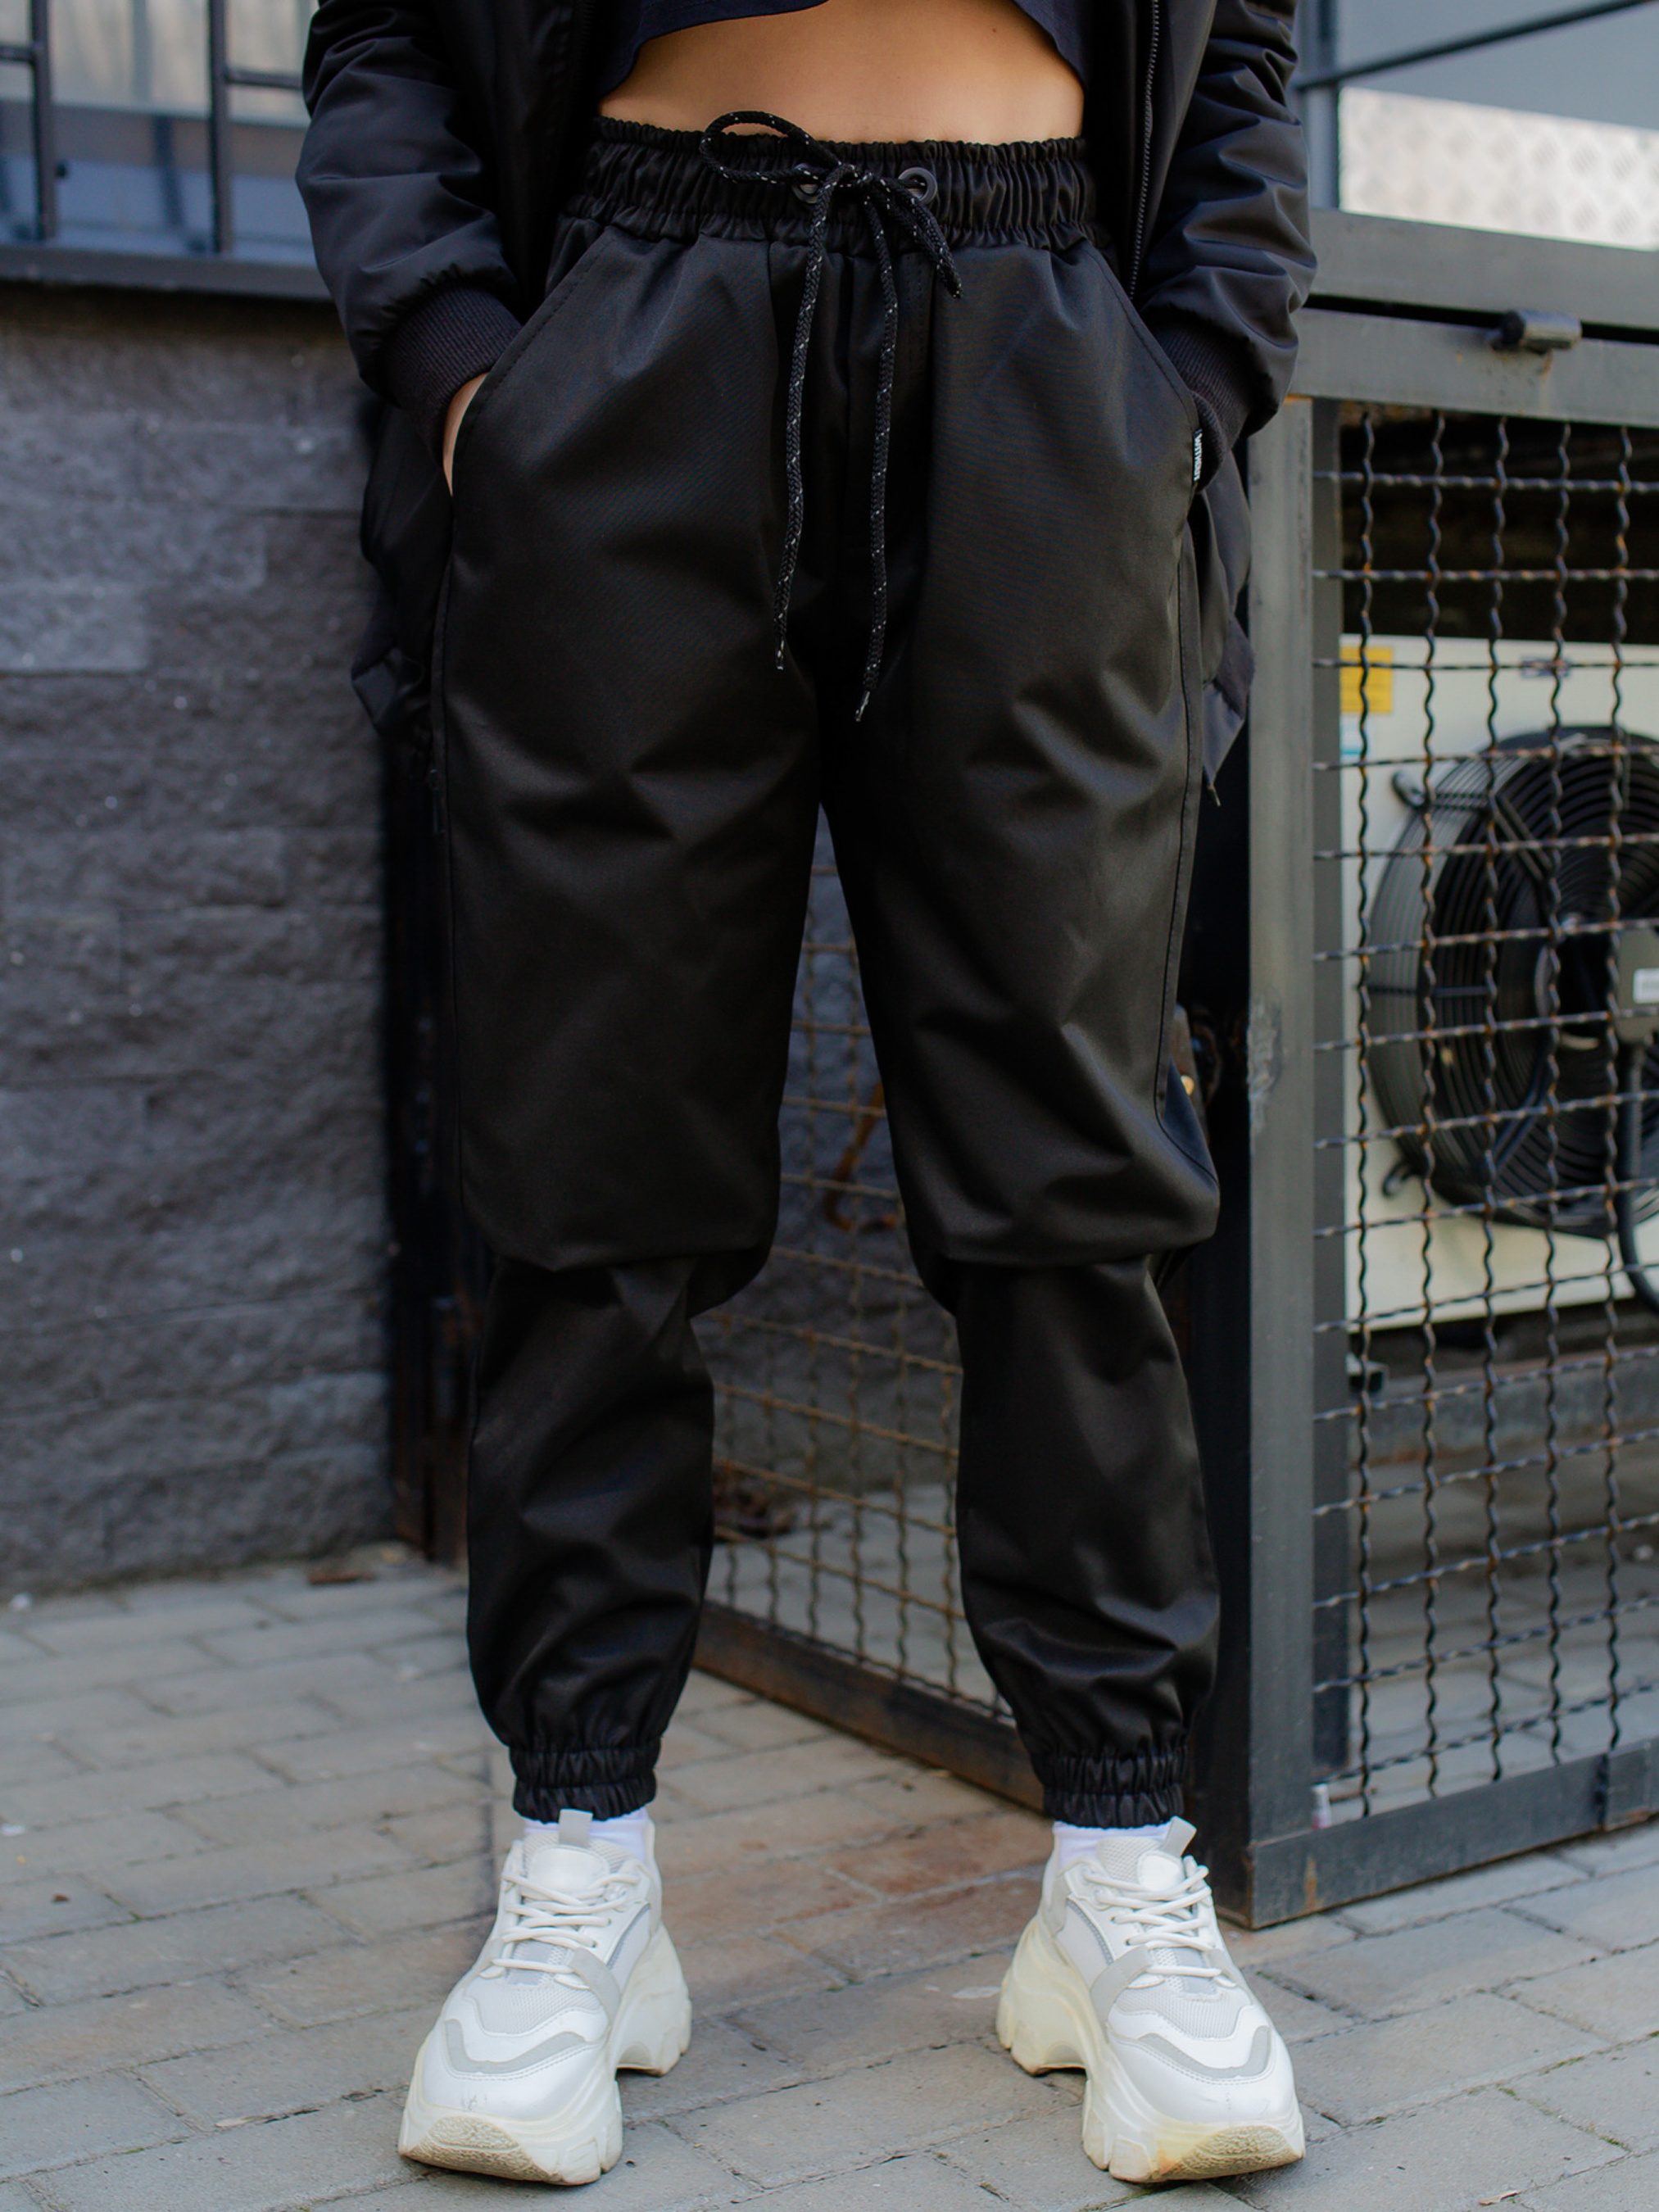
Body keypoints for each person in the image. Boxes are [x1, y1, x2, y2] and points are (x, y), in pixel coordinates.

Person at [300, 0, 1313, 2187]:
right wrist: (474, 369)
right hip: (633, 330)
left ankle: (1117, 1877)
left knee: (1073, 1169)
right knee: (591, 1165)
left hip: (1043, 336)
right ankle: (579, 1870)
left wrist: (1186, 378)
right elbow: (381, 30)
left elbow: (1242, 44)